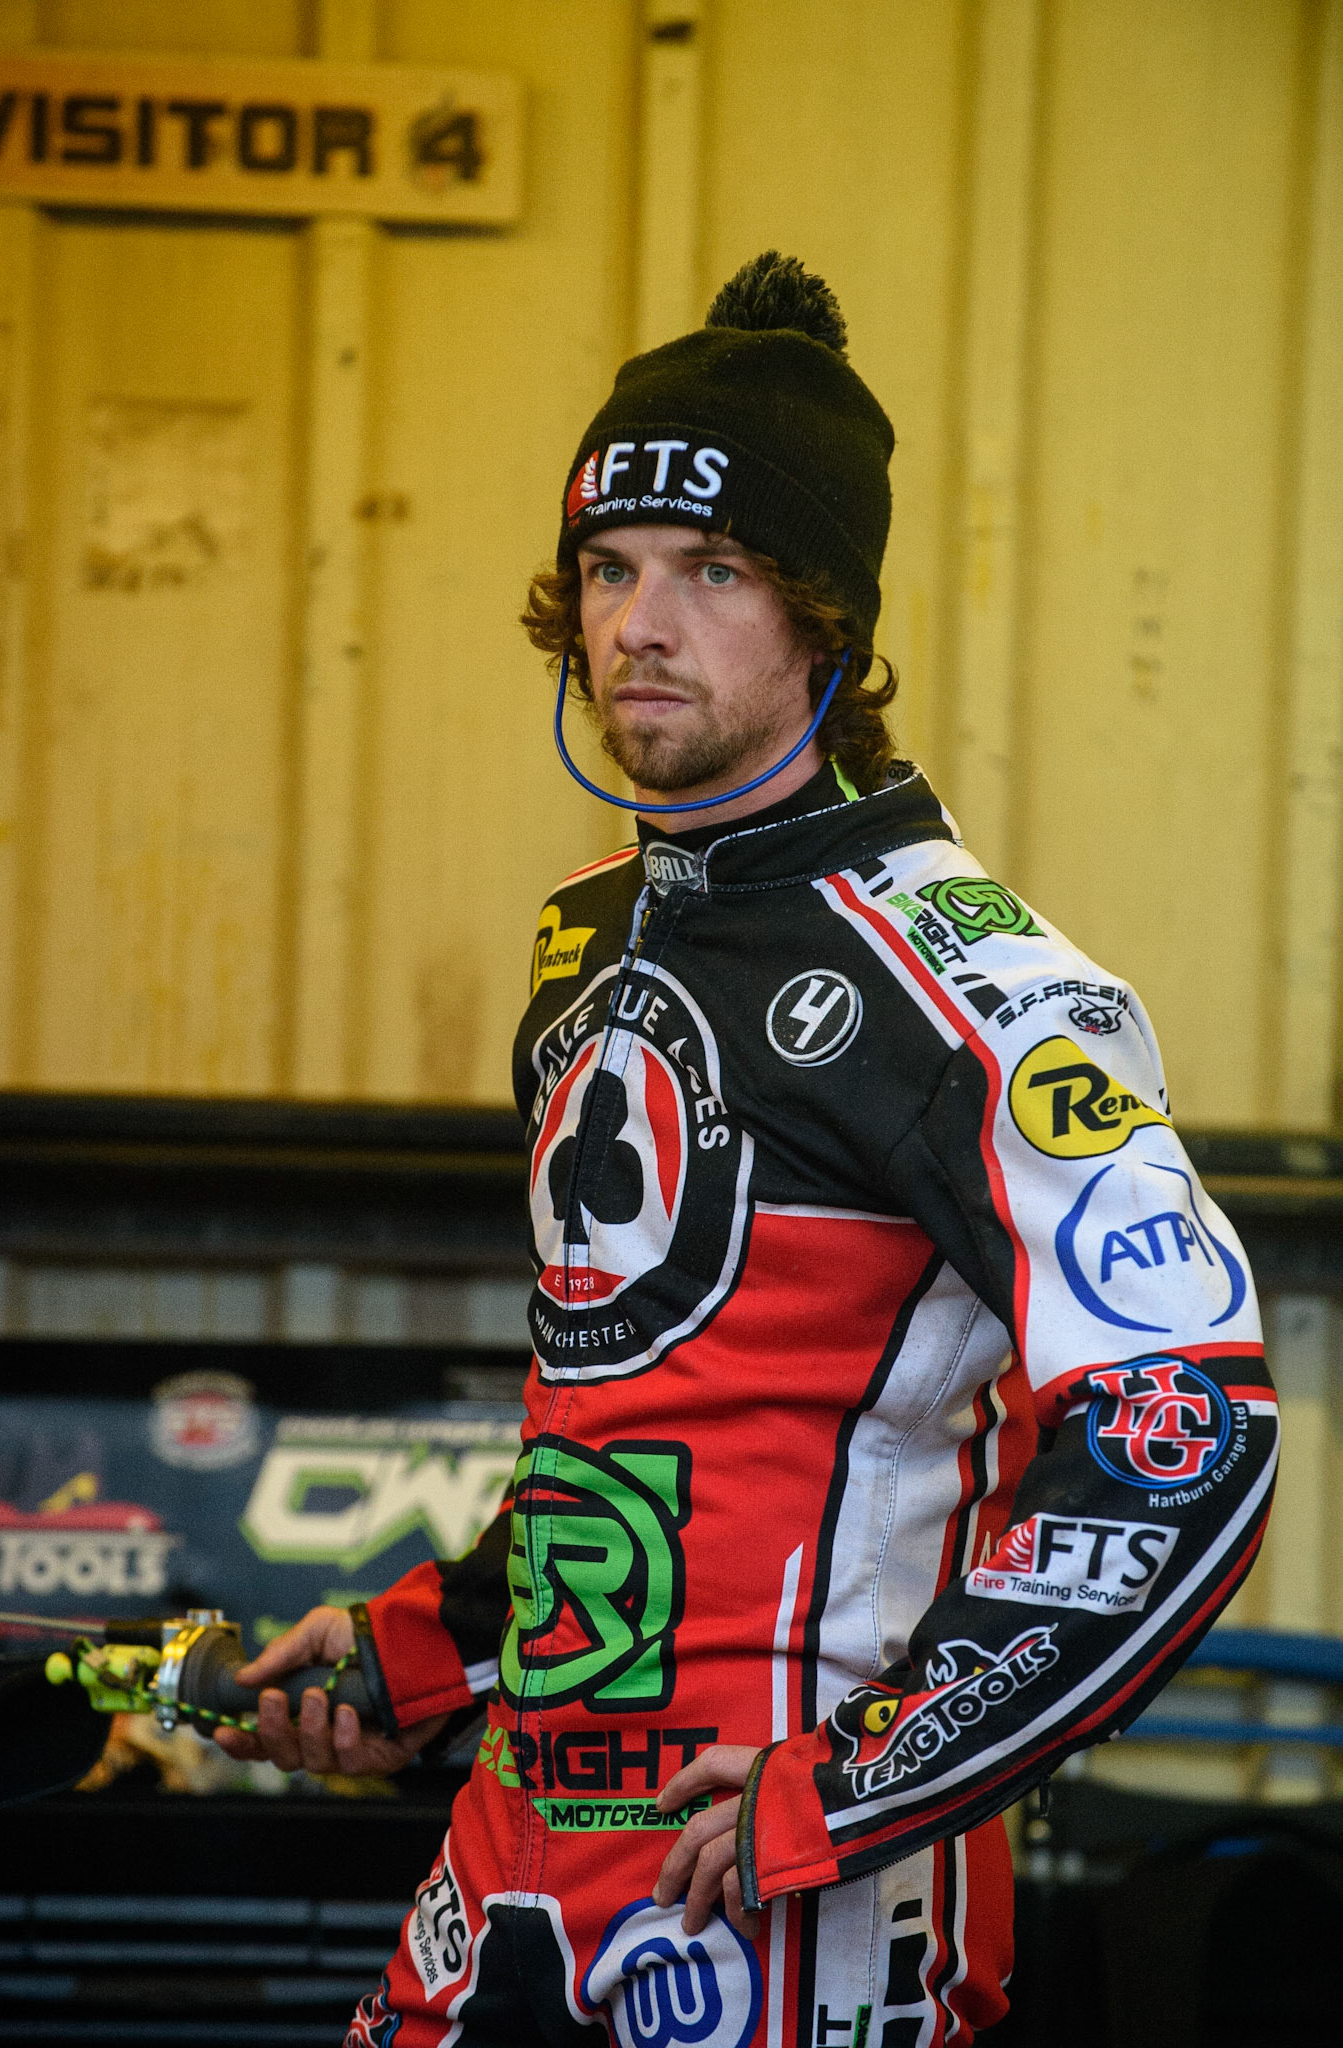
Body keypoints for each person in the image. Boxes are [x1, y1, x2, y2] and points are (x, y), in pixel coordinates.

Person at [219, 253, 1277, 2048]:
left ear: (826, 623)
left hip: (780, 1895)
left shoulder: (987, 990)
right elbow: (631, 1432)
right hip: (521, 1857)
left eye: (715, 574)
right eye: (613, 570)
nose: (641, 622)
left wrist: (872, 1778)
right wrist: (434, 1644)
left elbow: (1192, 1441)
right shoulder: (582, 942)